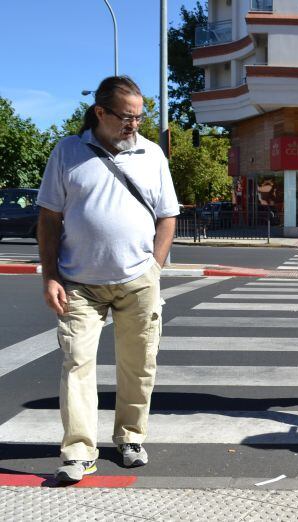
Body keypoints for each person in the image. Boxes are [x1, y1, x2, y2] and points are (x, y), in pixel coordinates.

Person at [37, 76, 179, 482]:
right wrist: (50, 276)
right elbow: (48, 218)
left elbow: (168, 214)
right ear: (100, 112)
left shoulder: (152, 155)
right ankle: (78, 451)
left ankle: (130, 437)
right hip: (79, 282)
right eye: (126, 117)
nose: (134, 124)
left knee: (138, 364)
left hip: (138, 280)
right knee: (76, 362)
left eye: (139, 117)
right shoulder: (68, 151)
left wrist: (156, 265)